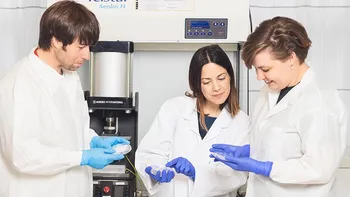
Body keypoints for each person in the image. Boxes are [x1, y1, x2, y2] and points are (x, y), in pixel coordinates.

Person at [0, 1, 129, 197]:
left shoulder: (69, 77)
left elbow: (71, 130)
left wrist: (93, 140)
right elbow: (23, 154)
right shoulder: (21, 82)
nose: (87, 56)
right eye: (81, 46)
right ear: (57, 41)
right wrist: (82, 157)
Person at [210, 16, 348, 197]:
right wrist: (251, 150)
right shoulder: (269, 91)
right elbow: (283, 146)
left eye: (265, 69)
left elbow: (319, 168)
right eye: (256, 69)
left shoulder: (319, 102)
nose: (259, 77)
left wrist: (265, 168)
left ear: (291, 58)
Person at [135, 44, 250, 197]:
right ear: (197, 84)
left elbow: (238, 174)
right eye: (207, 82)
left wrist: (197, 172)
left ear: (230, 77)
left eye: (221, 78)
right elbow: (152, 152)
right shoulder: (174, 108)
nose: (216, 87)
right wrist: (156, 169)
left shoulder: (241, 121)